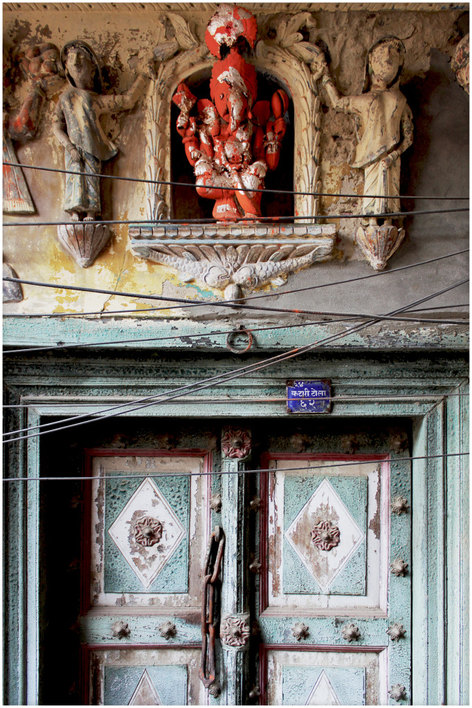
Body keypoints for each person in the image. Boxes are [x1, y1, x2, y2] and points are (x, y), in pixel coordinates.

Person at [317, 37, 413, 225]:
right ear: (370, 62)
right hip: (371, 158)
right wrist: (326, 77)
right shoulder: (365, 100)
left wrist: (393, 156)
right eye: (381, 53)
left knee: (390, 202)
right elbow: (338, 102)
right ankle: (371, 222)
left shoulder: (400, 100)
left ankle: (385, 223)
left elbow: (408, 137)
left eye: (393, 55)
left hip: (391, 159)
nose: (387, 57)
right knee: (371, 203)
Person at [53, 40, 148, 220]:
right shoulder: (65, 98)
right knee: (74, 178)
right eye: (71, 59)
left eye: (81, 58)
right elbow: (56, 127)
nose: (76, 62)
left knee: (91, 179)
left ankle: (90, 212)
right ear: (66, 68)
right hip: (73, 148)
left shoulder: (95, 99)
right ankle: (74, 212)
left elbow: (127, 100)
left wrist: (144, 76)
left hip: (92, 147)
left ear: (92, 69)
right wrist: (69, 146)